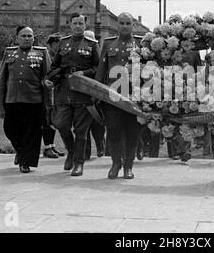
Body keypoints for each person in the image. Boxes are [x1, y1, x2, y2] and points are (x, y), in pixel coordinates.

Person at [44, 13, 99, 176]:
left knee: (81, 130)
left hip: (83, 92)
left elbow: (98, 69)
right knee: (61, 124)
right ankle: (71, 151)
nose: (77, 26)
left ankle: (78, 163)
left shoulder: (92, 45)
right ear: (70, 25)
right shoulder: (63, 43)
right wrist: (49, 79)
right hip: (64, 91)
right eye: (75, 23)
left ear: (85, 26)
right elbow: (55, 66)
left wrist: (85, 73)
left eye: (81, 23)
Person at [0, 26, 51, 173]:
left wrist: (49, 102)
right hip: (13, 99)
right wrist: (0, 100)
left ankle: (26, 161)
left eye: (30, 36)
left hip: (34, 100)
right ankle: (21, 152)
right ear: (17, 38)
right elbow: (3, 79)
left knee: (32, 133)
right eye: (24, 36)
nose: (27, 38)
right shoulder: (9, 53)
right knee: (10, 130)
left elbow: (48, 77)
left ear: (34, 38)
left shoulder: (41, 53)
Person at [95, 12, 142, 179]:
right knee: (113, 131)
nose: (124, 26)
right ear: (117, 25)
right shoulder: (108, 44)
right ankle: (115, 164)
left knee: (132, 131)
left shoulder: (140, 44)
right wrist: (98, 93)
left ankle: (128, 166)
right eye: (121, 23)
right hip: (112, 97)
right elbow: (101, 70)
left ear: (133, 25)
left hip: (133, 97)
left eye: (127, 23)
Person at [82, 30, 106, 160]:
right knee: (83, 125)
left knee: (97, 123)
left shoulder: (98, 55)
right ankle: (86, 151)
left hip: (95, 92)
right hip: (81, 94)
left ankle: (101, 146)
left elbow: (100, 70)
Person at [41, 33, 64, 159]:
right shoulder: (46, 56)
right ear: (50, 45)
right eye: (56, 44)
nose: (58, 47)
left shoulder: (59, 57)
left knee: (53, 119)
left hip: (56, 93)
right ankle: (47, 147)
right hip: (46, 93)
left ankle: (52, 144)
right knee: (47, 120)